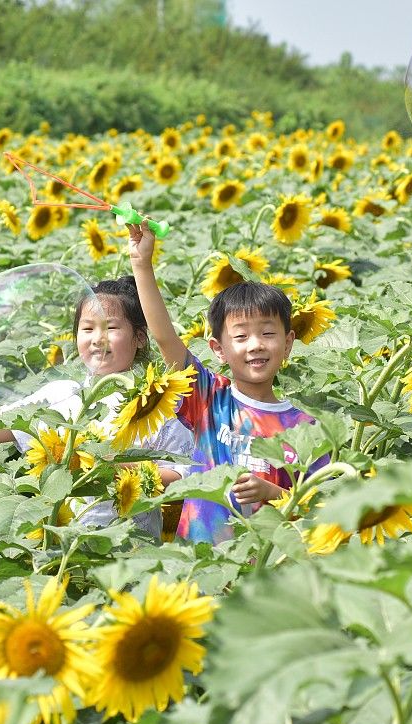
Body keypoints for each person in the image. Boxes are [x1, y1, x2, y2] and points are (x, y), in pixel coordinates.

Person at [0, 275, 193, 537]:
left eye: (110, 327)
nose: (98, 338)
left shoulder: (156, 401)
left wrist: (121, 468)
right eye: (87, 329)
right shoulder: (61, 395)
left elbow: (183, 473)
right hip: (63, 541)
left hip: (131, 545)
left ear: (140, 337)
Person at [127, 221, 330, 544]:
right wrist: (141, 264)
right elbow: (165, 338)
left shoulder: (307, 430)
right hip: (197, 565)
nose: (255, 345)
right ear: (218, 349)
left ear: (288, 342)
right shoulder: (209, 398)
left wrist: (273, 493)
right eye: (241, 336)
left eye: (267, 333)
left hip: (263, 574)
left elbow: (323, 513)